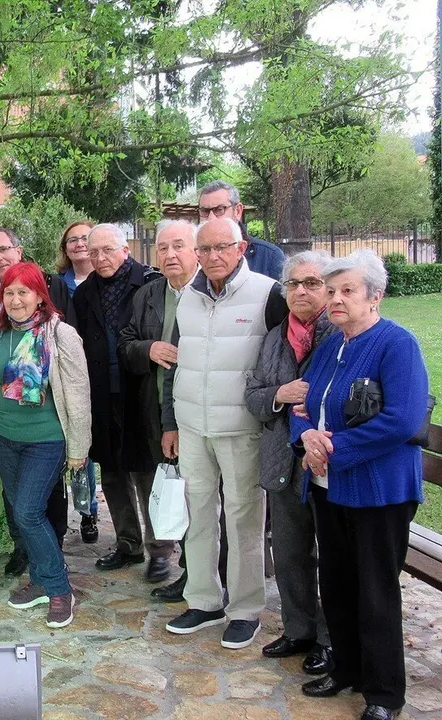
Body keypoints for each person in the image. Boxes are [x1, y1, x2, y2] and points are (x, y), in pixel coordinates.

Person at [291, 250, 429, 720]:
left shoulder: (397, 344)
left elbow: (403, 420)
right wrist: (305, 436)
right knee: (336, 583)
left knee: (375, 592)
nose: (335, 299)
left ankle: (384, 694)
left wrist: (330, 447)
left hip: (379, 491)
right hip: (328, 487)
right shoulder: (332, 345)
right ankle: (346, 668)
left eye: (347, 290)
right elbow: (303, 405)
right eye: (331, 291)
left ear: (375, 296)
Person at [162, 218, 287, 650]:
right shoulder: (188, 298)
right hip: (192, 426)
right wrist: (171, 421)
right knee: (198, 515)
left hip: (242, 428)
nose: (213, 256)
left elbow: (286, 357)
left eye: (222, 247)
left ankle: (245, 609)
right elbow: (177, 362)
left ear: (241, 248)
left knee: (244, 519)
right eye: (205, 249)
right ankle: (203, 600)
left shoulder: (269, 294)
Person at [0, 262, 92, 628]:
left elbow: (79, 395)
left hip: (46, 440)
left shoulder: (60, 335)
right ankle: (39, 581)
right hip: (3, 437)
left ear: (40, 296)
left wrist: (79, 448)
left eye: (24, 291)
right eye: (9, 292)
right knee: (20, 513)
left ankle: (59, 588)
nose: (16, 299)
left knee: (27, 513)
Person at [245, 251, 337, 675]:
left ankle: (331, 640)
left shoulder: (341, 331)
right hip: (282, 460)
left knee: (333, 557)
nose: (301, 291)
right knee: (289, 552)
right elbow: (253, 397)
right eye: (293, 284)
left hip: (330, 464)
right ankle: (298, 629)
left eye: (312, 283)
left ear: (328, 289)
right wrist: (279, 395)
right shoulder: (273, 337)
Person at [0, 227, 70, 576]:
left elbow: (70, 374)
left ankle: (53, 560)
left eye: (3, 249)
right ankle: (25, 550)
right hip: (4, 428)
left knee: (39, 500)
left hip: (46, 429)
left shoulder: (52, 291)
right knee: (16, 501)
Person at [72, 224, 171, 582]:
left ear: (125, 249)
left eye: (108, 250)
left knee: (147, 473)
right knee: (112, 473)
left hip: (141, 392)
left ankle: (160, 549)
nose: (100, 258)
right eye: (94, 252)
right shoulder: (84, 293)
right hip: (101, 393)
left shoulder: (150, 284)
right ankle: (128, 544)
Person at [117, 219, 201, 600]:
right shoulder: (148, 295)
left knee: (201, 498)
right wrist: (148, 349)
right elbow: (125, 344)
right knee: (168, 489)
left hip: (199, 412)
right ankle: (177, 563)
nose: (169, 254)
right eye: (163, 248)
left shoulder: (209, 292)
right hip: (156, 409)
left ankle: (203, 574)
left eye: (178, 246)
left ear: (195, 250)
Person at [55, 220, 100, 543]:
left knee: (93, 449)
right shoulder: (58, 285)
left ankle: (90, 510)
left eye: (85, 238)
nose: (79, 244)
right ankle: (83, 511)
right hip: (66, 373)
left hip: (98, 372)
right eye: (72, 240)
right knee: (74, 448)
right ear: (65, 248)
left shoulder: (106, 279)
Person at [197, 181, 285, 281]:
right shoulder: (191, 256)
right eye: (205, 211)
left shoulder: (268, 257)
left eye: (219, 210)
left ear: (238, 211)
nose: (211, 218)